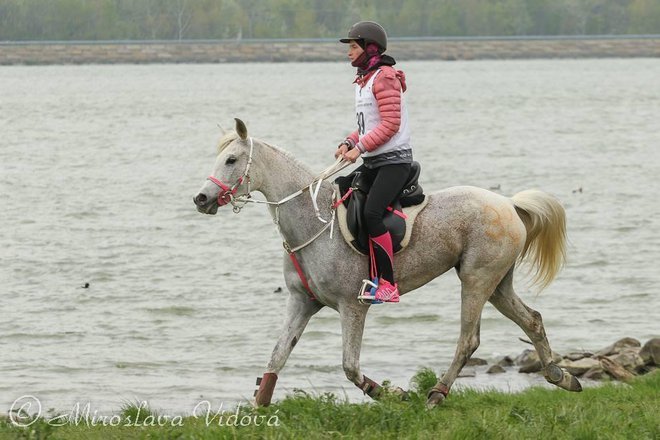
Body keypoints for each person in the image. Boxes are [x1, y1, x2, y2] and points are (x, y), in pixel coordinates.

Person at [336, 21, 412, 303]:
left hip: (394, 162)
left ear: (370, 48)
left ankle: (389, 285)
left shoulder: (385, 78)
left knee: (371, 213)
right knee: (341, 188)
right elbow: (368, 125)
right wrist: (350, 142)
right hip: (374, 161)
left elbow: (391, 124)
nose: (348, 53)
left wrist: (361, 147)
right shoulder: (364, 80)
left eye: (353, 47)